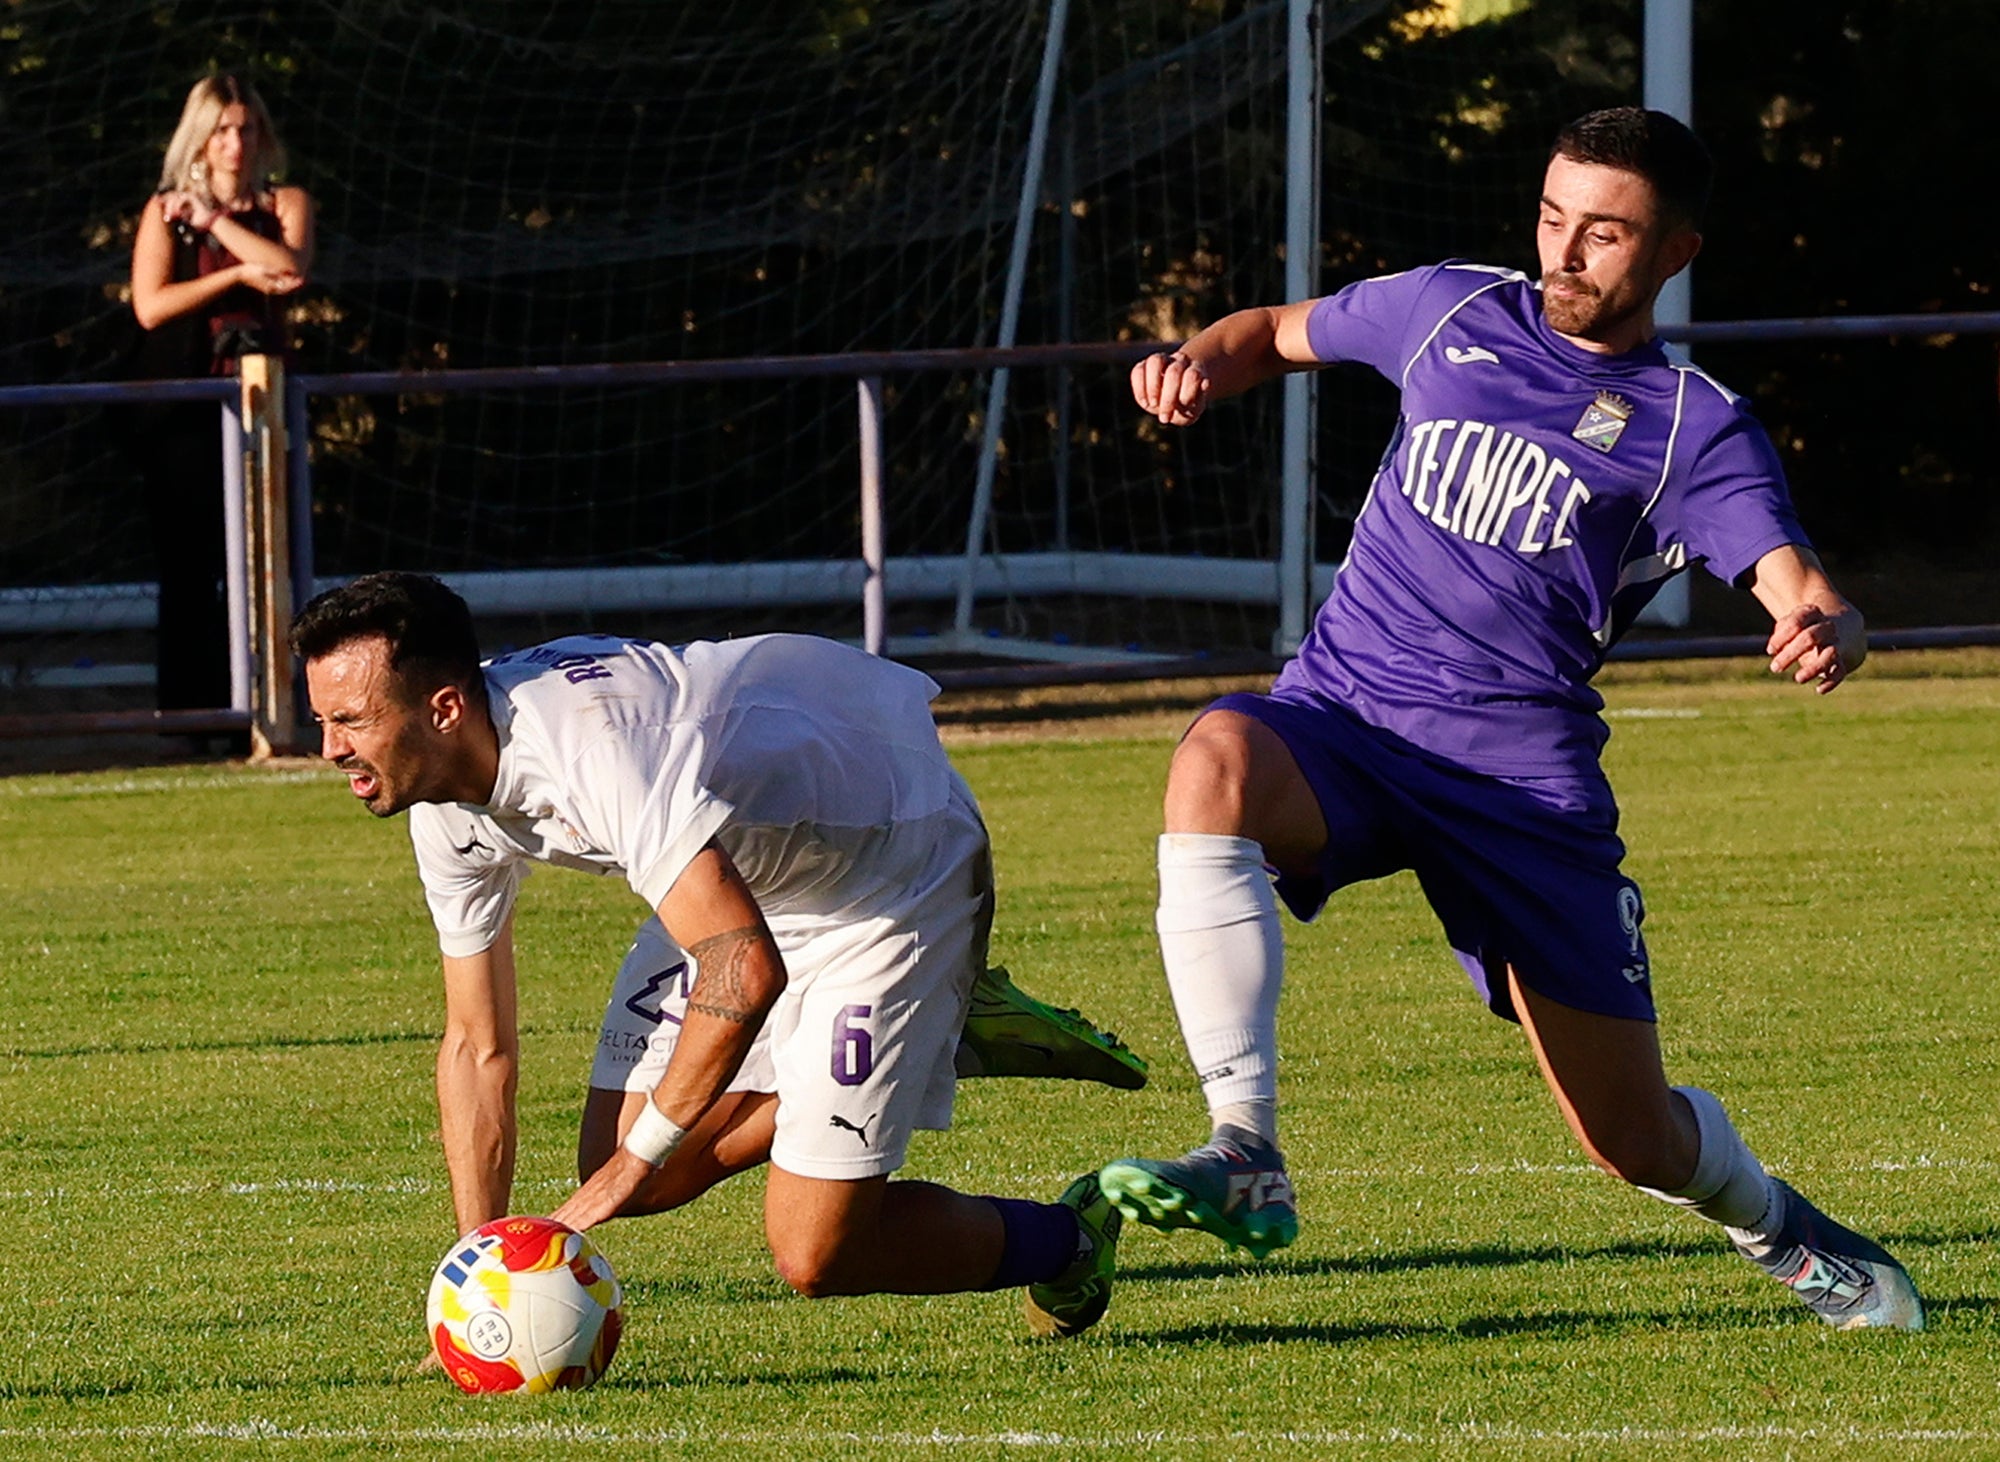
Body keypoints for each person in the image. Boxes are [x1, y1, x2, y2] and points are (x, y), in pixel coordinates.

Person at [1108, 106, 1922, 1331]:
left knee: (1631, 1140)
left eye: (1603, 234)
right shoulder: (1447, 309)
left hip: (1517, 789)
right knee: (1214, 756)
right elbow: (1276, 332)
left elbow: (1795, 582)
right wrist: (1200, 362)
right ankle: (1243, 1149)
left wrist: (1829, 629)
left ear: (1674, 254)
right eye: (1551, 219)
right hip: (1347, 718)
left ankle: (1777, 1226)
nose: (1564, 253)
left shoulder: (1690, 425)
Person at [290, 571, 1140, 1339]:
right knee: (631, 1163)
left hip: (889, 866)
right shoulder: (439, 797)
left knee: (815, 1255)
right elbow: (478, 1045)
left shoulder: (592, 749)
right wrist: (476, 1279)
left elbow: (745, 969)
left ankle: (1067, 1238)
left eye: (352, 721)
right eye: (324, 720)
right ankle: (943, 1034)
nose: (329, 749)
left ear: (443, 708)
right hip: (732, 870)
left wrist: (631, 1167)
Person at [125, 74, 312, 716]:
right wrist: (232, 273)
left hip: (265, 402)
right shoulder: (164, 211)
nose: (234, 143)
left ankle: (269, 714)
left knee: (268, 558)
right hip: (188, 411)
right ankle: (191, 715)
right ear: (199, 139)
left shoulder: (283, 202)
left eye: (245, 129)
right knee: (188, 566)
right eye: (221, 130)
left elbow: (287, 268)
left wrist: (217, 225)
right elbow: (150, 307)